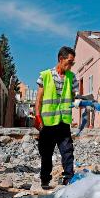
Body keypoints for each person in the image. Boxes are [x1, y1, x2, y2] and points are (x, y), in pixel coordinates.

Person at [35, 46, 78, 188]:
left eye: (73, 63)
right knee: (46, 153)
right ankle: (45, 179)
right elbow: (39, 99)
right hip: (47, 123)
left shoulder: (72, 77)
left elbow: (74, 96)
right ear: (61, 59)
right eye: (69, 62)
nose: (71, 65)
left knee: (67, 151)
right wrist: (37, 116)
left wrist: (78, 100)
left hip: (63, 121)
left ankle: (68, 178)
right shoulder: (45, 75)